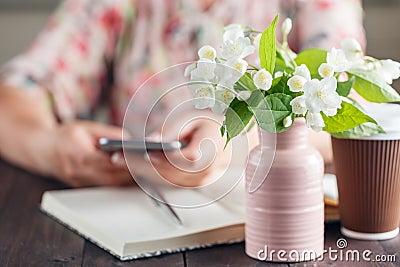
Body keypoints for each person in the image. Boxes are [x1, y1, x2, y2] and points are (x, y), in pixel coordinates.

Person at [0, 0, 365, 187]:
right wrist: (49, 148)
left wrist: (237, 136)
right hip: (135, 212)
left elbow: (350, 110)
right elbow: (17, 93)